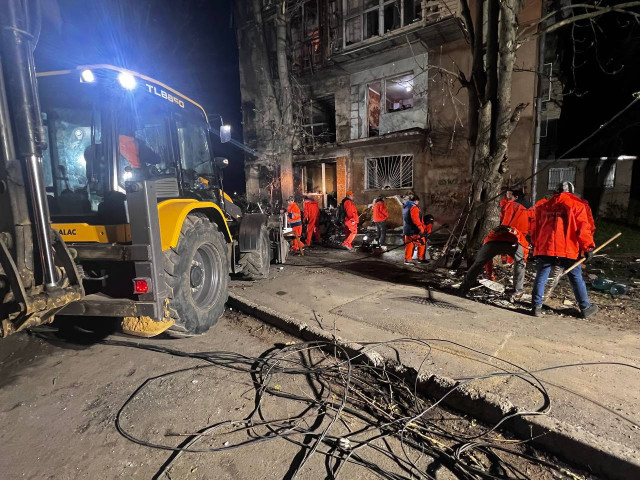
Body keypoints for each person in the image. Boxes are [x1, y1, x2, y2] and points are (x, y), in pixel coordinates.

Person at [530, 182, 597, 318]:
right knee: (576, 278)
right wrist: (588, 247)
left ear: (556, 191)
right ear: (571, 192)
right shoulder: (577, 205)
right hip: (568, 249)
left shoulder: (543, 206)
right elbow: (583, 229)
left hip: (546, 248)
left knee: (541, 276)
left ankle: (536, 307)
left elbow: (535, 228)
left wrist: (536, 245)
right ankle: (585, 307)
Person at [460, 189, 533, 297]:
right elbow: (532, 227)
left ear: (516, 197)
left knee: (479, 262)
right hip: (516, 239)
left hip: (498, 237)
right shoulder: (530, 209)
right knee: (520, 263)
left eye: (511, 196)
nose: (509, 198)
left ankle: (464, 287)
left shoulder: (509, 205)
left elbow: (502, 217)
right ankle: (517, 290)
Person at [403, 194, 428, 265]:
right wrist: (421, 229)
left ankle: (408, 260)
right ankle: (420, 258)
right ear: (416, 201)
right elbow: (416, 220)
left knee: (409, 245)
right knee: (422, 244)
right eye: (418, 202)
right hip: (414, 231)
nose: (418, 203)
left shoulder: (405, 207)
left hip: (407, 230)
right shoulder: (414, 207)